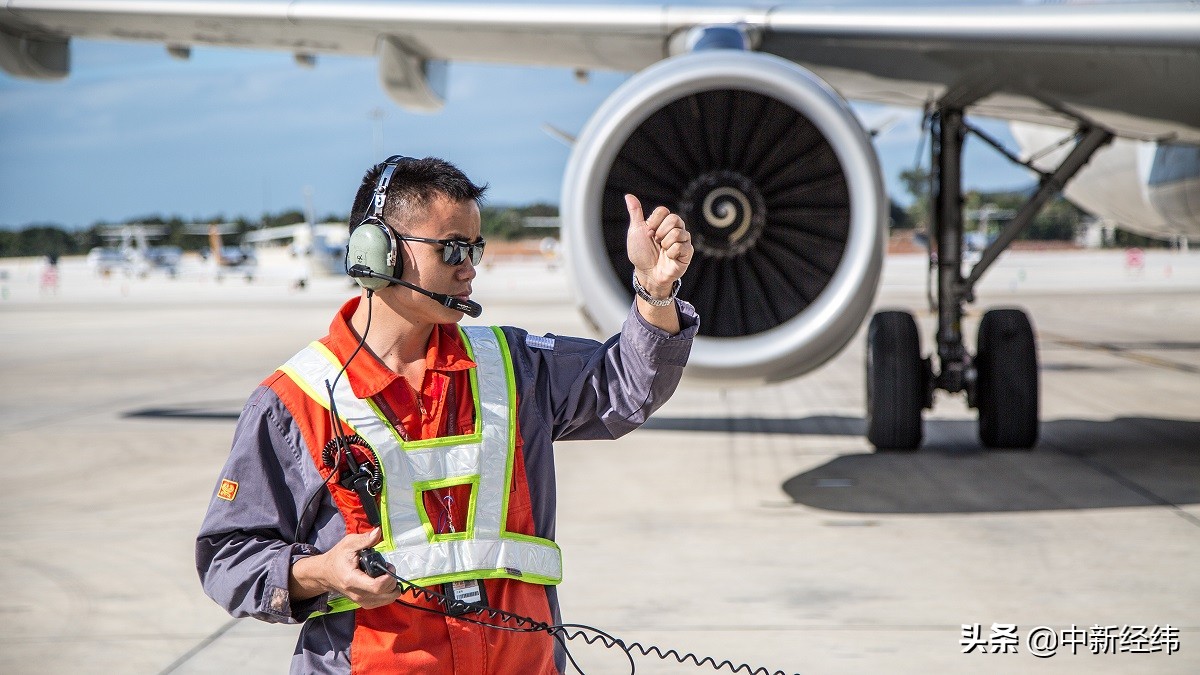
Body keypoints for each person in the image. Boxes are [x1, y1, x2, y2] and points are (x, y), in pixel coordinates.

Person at [196, 155, 697, 673]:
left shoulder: (512, 365)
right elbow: (227, 557)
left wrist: (654, 290)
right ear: (379, 253)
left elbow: (626, 387)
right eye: (453, 248)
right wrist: (320, 572)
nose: (470, 267)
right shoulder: (296, 401)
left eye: (475, 247)